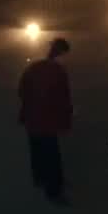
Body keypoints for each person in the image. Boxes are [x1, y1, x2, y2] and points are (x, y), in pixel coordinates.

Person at [19, 38, 73, 204]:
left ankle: (40, 178)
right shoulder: (58, 72)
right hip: (47, 120)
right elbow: (64, 99)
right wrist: (66, 120)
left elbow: (22, 90)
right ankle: (54, 191)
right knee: (52, 155)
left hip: (32, 118)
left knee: (37, 150)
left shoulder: (33, 67)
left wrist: (26, 111)